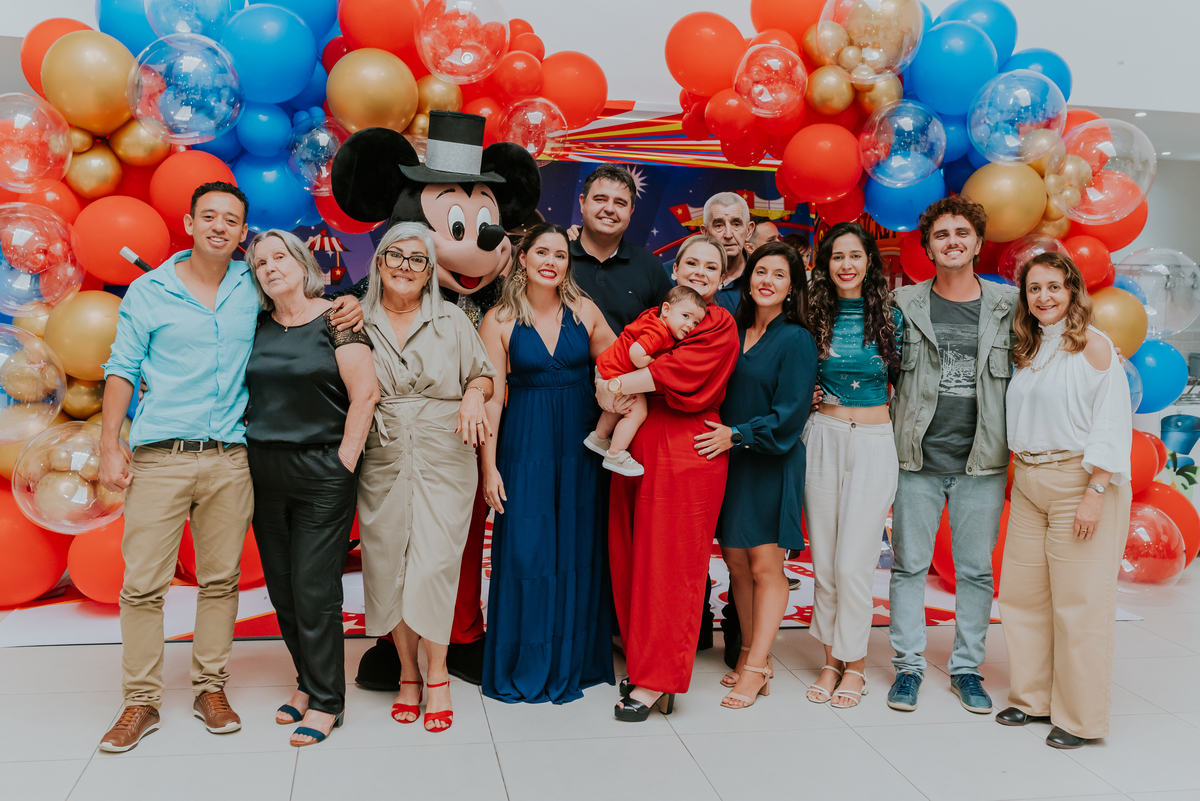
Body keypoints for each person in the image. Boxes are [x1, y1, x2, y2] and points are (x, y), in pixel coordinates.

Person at [96, 182, 361, 753]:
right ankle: (140, 702)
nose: (219, 226)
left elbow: (311, 316)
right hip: (161, 457)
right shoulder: (149, 291)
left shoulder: (253, 285)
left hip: (232, 460)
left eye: (232, 220)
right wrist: (108, 443)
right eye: (208, 216)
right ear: (189, 223)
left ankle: (209, 689)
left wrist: (351, 300)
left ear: (244, 234)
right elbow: (121, 368)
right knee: (143, 587)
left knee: (221, 583)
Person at [355, 222, 496, 733]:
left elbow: (483, 373)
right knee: (388, 564)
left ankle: (437, 673)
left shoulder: (454, 320)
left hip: (446, 449)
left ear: (430, 270)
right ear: (379, 262)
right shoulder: (356, 318)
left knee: (434, 566)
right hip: (383, 450)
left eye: (418, 259)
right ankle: (408, 675)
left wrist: (475, 395)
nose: (406, 267)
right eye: (397, 255)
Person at [595, 234, 740, 721]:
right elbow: (625, 349)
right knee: (631, 556)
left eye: (711, 267)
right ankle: (643, 663)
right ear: (675, 269)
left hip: (686, 450)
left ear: (723, 278)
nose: (700, 271)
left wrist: (609, 383)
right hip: (637, 443)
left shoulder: (717, 323)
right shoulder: (659, 315)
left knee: (670, 567)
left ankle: (659, 680)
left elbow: (672, 374)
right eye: (692, 263)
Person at [242, 230, 378, 746]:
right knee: (282, 588)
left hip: (323, 470)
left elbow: (365, 396)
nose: (271, 268)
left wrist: (343, 460)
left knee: (314, 589)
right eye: (260, 263)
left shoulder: (338, 319)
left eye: (280, 257)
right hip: (264, 470)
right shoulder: (256, 327)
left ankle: (326, 701)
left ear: (302, 264)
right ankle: (307, 680)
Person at [886, 196, 1018, 716]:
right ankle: (909, 669)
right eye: (942, 235)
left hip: (982, 462)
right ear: (928, 247)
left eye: (962, 233)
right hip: (916, 459)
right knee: (908, 567)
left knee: (976, 572)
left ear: (979, 244)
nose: (953, 242)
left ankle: (966, 669)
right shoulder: (905, 305)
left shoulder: (1010, 304)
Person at [997, 252, 1132, 749]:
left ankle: (1079, 719)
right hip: (1031, 481)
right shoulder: (1030, 349)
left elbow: (1113, 422)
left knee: (1080, 605)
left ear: (1072, 291)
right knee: (1023, 596)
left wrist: (1095, 493)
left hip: (1081, 481)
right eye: (1035, 289)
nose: (1044, 297)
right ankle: (1033, 699)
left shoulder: (1094, 348)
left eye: (1054, 286)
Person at [478, 223, 618, 704]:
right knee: (527, 552)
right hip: (526, 443)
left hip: (580, 447)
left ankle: (572, 661)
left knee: (578, 549)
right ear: (523, 258)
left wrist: (611, 404)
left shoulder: (584, 311)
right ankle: (525, 662)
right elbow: (492, 399)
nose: (551, 261)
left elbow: (620, 365)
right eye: (542, 252)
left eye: (560, 254)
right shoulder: (497, 319)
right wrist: (489, 467)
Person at [696, 242, 817, 709]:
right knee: (737, 566)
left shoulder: (796, 339)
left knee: (767, 568)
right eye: (760, 271)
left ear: (792, 287)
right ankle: (748, 651)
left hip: (769, 459)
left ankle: (758, 665)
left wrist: (737, 435)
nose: (766, 280)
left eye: (779, 275)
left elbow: (789, 416)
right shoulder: (734, 329)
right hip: (730, 461)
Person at [803, 221, 902, 709]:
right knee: (824, 563)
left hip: (874, 442)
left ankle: (856, 666)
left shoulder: (891, 316)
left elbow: (910, 382)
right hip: (823, 436)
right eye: (836, 256)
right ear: (825, 264)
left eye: (855, 256)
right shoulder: (811, 315)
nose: (845, 264)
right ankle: (829, 660)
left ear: (869, 263)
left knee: (853, 563)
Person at [586, 285, 709, 475]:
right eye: (686, 316)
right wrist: (657, 363)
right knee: (637, 412)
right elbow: (636, 353)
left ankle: (599, 438)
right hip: (616, 372)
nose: (690, 325)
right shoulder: (659, 331)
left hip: (608, 367)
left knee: (621, 406)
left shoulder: (651, 318)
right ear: (666, 310)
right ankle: (615, 453)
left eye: (696, 322)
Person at [569, 164, 675, 334]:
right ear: (582, 203)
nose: (610, 209)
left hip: (627, 361)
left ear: (631, 211)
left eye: (620, 203)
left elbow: (665, 335)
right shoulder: (556, 257)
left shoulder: (650, 267)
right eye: (600, 199)